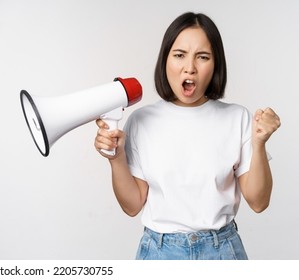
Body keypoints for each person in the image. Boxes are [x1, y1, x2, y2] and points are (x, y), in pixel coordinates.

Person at [94, 12, 281, 260]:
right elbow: (132, 205)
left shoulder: (238, 118)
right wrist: (115, 158)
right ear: (165, 61)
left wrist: (259, 143)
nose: (189, 68)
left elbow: (258, 202)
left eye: (202, 57)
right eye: (179, 55)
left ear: (215, 65)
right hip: (159, 253)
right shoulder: (141, 121)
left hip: (222, 252)